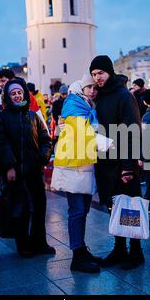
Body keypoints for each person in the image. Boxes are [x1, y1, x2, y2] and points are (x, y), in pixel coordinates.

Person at [90, 55, 145, 270]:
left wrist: (129, 165)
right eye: (94, 74)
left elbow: (132, 131)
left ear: (109, 72)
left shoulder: (123, 95)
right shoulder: (99, 96)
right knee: (114, 208)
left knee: (130, 208)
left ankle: (136, 251)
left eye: (100, 73)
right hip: (106, 162)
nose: (97, 78)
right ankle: (120, 248)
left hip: (123, 163)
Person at [0, 78, 54, 258]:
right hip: (15, 172)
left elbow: (45, 138)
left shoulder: (33, 115)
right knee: (21, 208)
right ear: (8, 96)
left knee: (39, 206)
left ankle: (39, 242)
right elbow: (0, 144)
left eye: (19, 92)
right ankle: (23, 244)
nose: (17, 96)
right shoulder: (1, 117)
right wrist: (9, 166)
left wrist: (43, 156)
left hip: (34, 169)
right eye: (13, 93)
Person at [53, 75, 103, 273]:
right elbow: (83, 134)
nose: (92, 90)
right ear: (81, 88)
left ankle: (81, 250)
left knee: (83, 210)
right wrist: (107, 143)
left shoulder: (87, 106)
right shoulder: (74, 104)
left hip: (84, 164)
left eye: (94, 88)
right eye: (88, 87)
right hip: (73, 166)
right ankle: (77, 256)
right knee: (77, 211)